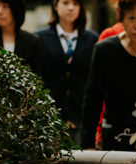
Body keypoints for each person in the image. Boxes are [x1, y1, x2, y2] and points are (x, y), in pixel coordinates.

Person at [81, 0, 136, 150]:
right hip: (114, 137)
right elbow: (92, 100)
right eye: (131, 18)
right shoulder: (105, 50)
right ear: (121, 19)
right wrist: (87, 145)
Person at [36, 0, 98, 143]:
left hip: (82, 117)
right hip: (49, 117)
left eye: (76, 4)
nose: (71, 8)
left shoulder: (92, 39)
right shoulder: (39, 38)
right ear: (56, 6)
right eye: (65, 3)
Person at [0, 0, 42, 74]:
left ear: (16, 9)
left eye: (5, 6)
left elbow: (37, 75)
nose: (0, 11)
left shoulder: (32, 41)